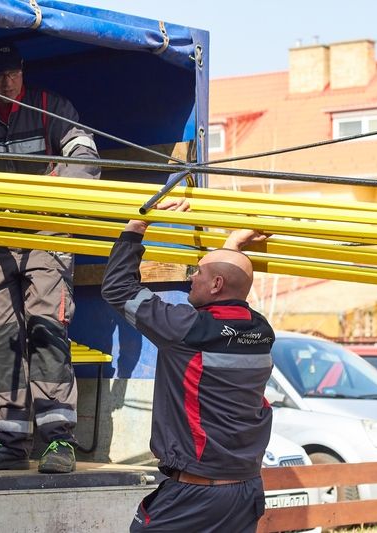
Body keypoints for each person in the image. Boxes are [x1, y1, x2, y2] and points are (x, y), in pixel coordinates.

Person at [0, 41, 100, 474]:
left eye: (14, 73)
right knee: (1, 336)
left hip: (46, 232)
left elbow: (87, 157)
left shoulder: (49, 107)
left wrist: (48, 192)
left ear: (23, 71)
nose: (8, 82)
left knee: (45, 326)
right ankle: (10, 441)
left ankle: (59, 442)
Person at [101, 199, 275, 532]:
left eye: (198, 272)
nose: (191, 278)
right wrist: (232, 248)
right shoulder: (261, 330)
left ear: (216, 286)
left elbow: (118, 289)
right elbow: (230, 293)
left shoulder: (185, 329)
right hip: (244, 489)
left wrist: (137, 226)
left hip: (196, 495)